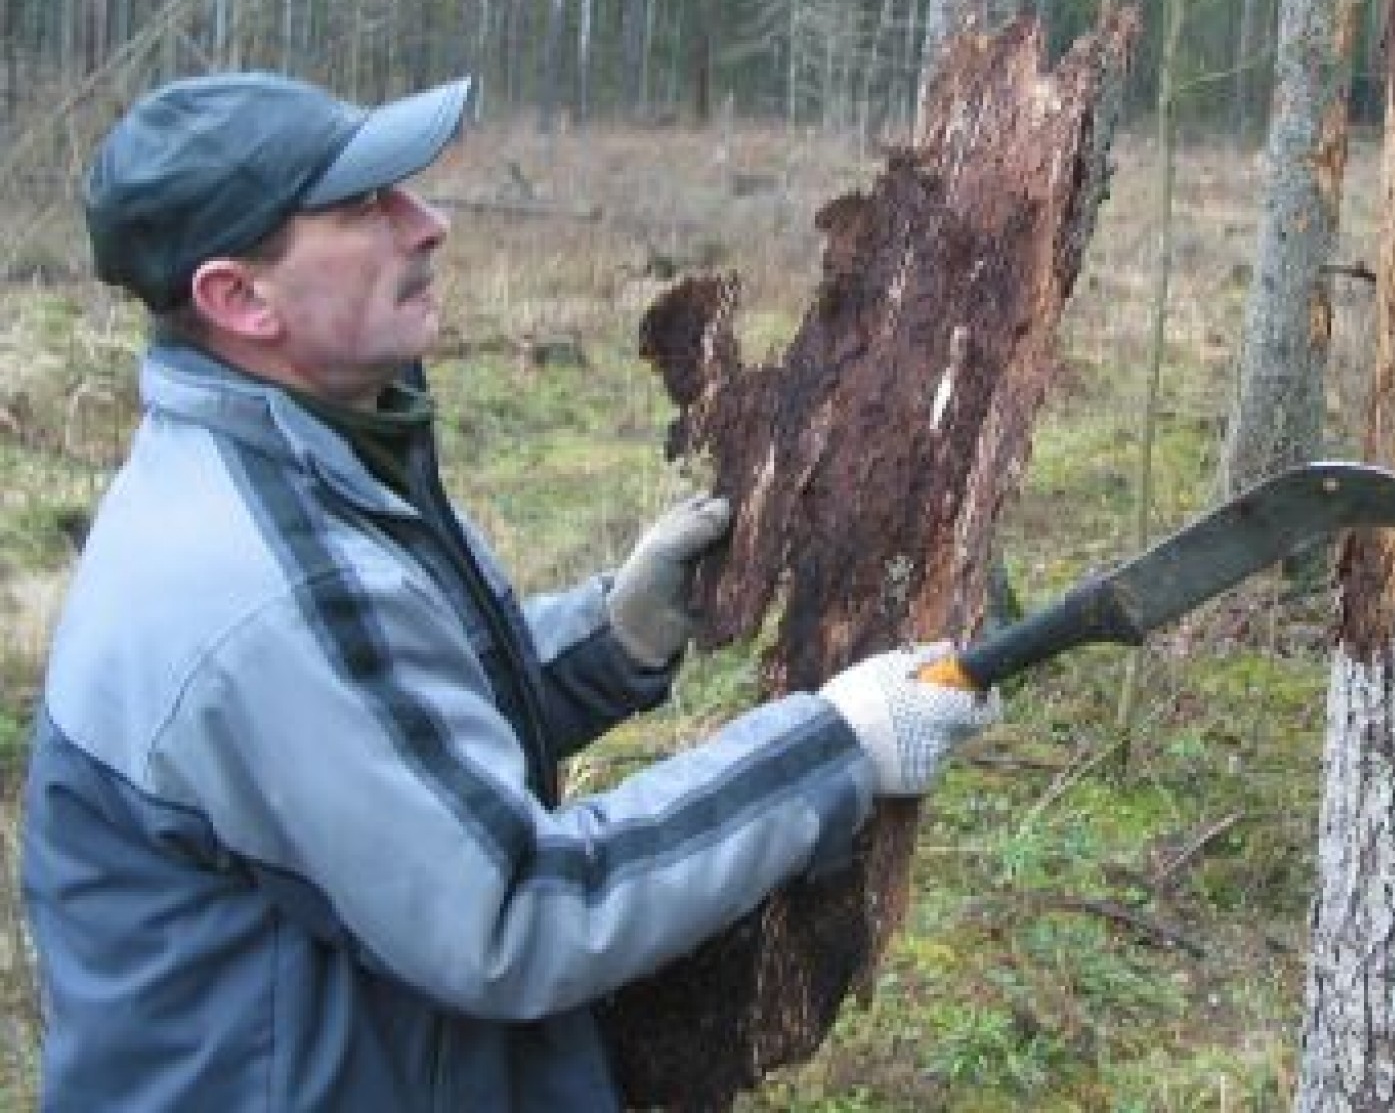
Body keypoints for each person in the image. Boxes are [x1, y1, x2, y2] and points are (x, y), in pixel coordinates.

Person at [21, 71, 999, 1111]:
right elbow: (516, 913)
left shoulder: (307, 453)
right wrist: (837, 745)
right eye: (363, 207)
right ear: (237, 297)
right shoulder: (258, 587)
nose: (428, 223)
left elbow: (386, 733)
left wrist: (604, 642)